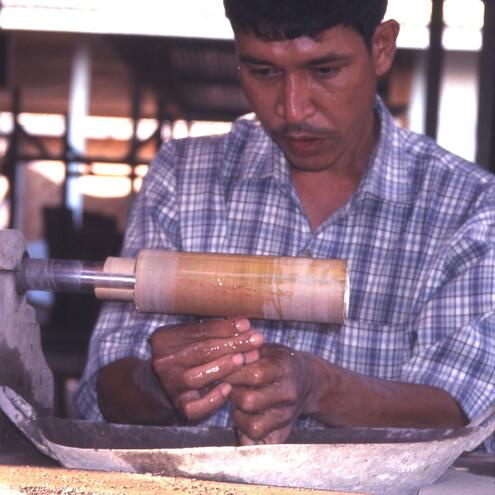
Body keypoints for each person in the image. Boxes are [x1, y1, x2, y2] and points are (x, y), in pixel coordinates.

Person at [75, 0, 495, 449]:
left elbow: (463, 413)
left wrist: (321, 388)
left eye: (325, 70)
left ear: (381, 47)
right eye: (263, 72)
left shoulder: (467, 206)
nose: (293, 110)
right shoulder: (183, 177)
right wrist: (157, 385)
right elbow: (107, 382)